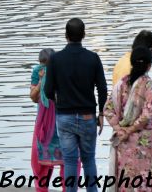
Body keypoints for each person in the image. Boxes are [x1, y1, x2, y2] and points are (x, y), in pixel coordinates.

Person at [43, 18, 108, 192]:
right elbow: (102, 88)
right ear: (84, 35)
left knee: (70, 160)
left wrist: (59, 101)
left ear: (66, 36)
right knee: (89, 159)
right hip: (88, 116)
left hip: (65, 116)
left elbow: (48, 90)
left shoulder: (55, 59)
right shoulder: (93, 58)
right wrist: (101, 114)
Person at [103, 46, 152, 189]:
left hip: (124, 142)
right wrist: (129, 131)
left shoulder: (121, 84)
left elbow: (108, 109)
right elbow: (147, 115)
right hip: (144, 143)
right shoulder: (150, 86)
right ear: (149, 65)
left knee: (126, 181)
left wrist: (119, 129)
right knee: (143, 182)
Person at [31, 49, 66, 192]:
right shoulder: (37, 72)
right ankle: (42, 188)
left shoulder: (62, 72)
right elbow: (33, 97)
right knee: (42, 157)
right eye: (42, 64)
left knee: (66, 158)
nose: (44, 67)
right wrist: (41, 81)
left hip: (62, 119)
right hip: (44, 122)